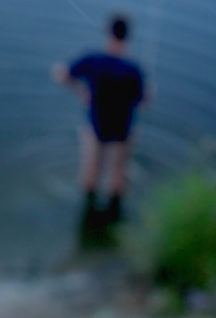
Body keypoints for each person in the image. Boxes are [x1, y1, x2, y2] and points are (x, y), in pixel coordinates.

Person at [51, 15, 147, 225]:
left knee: (90, 172)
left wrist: (80, 90)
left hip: (95, 128)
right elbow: (142, 103)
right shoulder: (134, 70)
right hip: (122, 131)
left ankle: (88, 217)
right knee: (117, 175)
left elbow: (59, 73)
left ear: (108, 32)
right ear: (128, 37)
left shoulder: (93, 60)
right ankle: (113, 221)